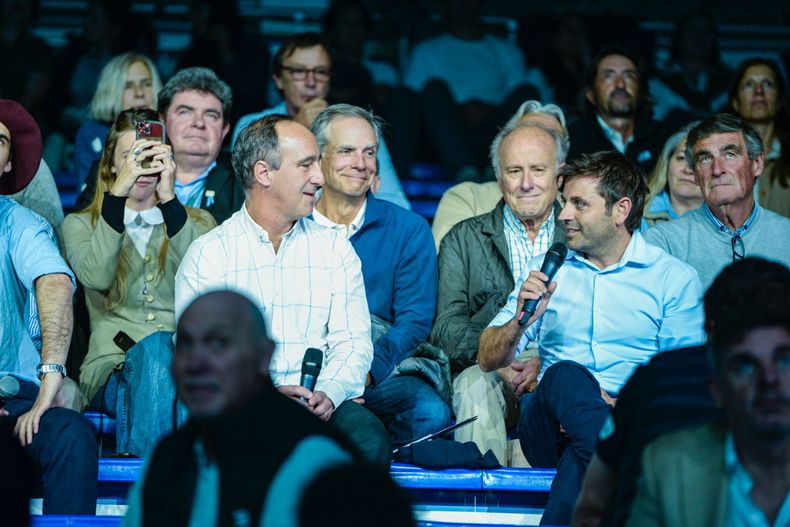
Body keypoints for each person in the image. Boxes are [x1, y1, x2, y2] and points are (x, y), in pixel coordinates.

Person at [478, 150, 706, 524]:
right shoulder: (550, 272)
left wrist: (617, 408)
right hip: (549, 424)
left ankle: (607, 453)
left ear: (620, 210)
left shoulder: (672, 279)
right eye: (566, 202)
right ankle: (626, 464)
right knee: (564, 374)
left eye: (579, 204)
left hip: (630, 420)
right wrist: (521, 321)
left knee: (578, 463)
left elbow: (681, 377)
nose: (564, 213)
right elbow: (487, 357)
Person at [176, 114, 391, 465]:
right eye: (306, 165)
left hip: (320, 403)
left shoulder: (335, 249)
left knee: (368, 437)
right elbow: (200, 358)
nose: (320, 178)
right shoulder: (210, 254)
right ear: (264, 173)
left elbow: (352, 343)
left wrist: (329, 394)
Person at [124, 291, 356, 526]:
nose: (196, 363)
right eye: (186, 344)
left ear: (263, 355)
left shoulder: (317, 459)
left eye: (218, 344)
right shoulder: (168, 458)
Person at [62, 108, 216, 442]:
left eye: (151, 155)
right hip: (112, 369)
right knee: (161, 353)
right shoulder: (80, 225)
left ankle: (156, 482)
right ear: (112, 164)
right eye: (132, 156)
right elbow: (98, 277)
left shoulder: (198, 223)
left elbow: (208, 287)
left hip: (187, 370)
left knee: (183, 380)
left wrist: (169, 200)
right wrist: (116, 198)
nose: (141, 166)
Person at [311, 104, 451, 445]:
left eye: (369, 152)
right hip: (305, 364)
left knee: (429, 411)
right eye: (346, 151)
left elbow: (414, 321)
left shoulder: (409, 229)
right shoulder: (295, 224)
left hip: (378, 368)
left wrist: (360, 377)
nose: (360, 163)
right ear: (319, 159)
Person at [430, 120, 568, 464]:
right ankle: (481, 501)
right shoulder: (464, 238)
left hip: (561, 364)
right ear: (498, 176)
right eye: (514, 171)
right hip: (488, 366)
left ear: (559, 176)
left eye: (538, 170)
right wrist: (501, 355)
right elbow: (445, 328)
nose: (526, 184)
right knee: (475, 383)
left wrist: (547, 361)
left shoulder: (581, 235)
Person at [626, 259, 790, 527]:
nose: (768, 379)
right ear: (717, 389)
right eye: (746, 367)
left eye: (784, 360)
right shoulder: (670, 467)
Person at [0, 99, 97, 514]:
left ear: (7, 164)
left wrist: (51, 377)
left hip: (14, 397)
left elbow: (55, 280)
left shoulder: (18, 224)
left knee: (73, 435)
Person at [232, 32, 409, 210]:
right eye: (299, 71)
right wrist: (296, 126)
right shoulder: (252, 125)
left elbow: (396, 202)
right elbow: (244, 198)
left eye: (320, 72)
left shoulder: (358, 128)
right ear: (278, 79)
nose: (311, 82)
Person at [399, 0, 552, 182]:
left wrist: (489, 111)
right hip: (444, 133)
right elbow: (411, 105)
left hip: (496, 129)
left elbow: (519, 96)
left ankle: (501, 166)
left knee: (527, 92)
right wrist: (459, 110)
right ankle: (464, 170)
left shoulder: (506, 50)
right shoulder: (426, 50)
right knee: (433, 88)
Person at [77, 67, 245, 225]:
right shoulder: (119, 167)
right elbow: (81, 231)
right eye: (185, 112)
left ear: (224, 129)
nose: (199, 123)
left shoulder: (245, 177)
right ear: (162, 121)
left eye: (211, 115)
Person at [644, 113, 790, 289]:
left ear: (757, 164)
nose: (717, 170)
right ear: (696, 175)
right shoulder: (663, 242)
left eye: (730, 154)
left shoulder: (786, 234)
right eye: (705, 159)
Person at [431, 100, 569, 250]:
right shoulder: (467, 197)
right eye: (525, 133)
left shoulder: (577, 209)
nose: (534, 143)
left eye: (550, 138)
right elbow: (449, 262)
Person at [568, 46, 673, 175]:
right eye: (608, 76)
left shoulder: (663, 137)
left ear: (640, 91)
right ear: (591, 94)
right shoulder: (572, 140)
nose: (620, 84)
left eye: (629, 76)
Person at [73, 52, 162, 189]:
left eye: (147, 84)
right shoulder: (91, 134)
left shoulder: (169, 129)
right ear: (110, 91)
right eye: (128, 86)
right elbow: (89, 197)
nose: (139, 93)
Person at [729, 57, 790, 217]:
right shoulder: (720, 158)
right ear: (735, 102)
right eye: (749, 84)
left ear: (779, 101)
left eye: (767, 84)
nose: (759, 91)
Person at [641, 122, 703, 229]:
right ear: (667, 164)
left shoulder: (731, 221)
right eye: (681, 158)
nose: (688, 169)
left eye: (700, 162)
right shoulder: (636, 216)